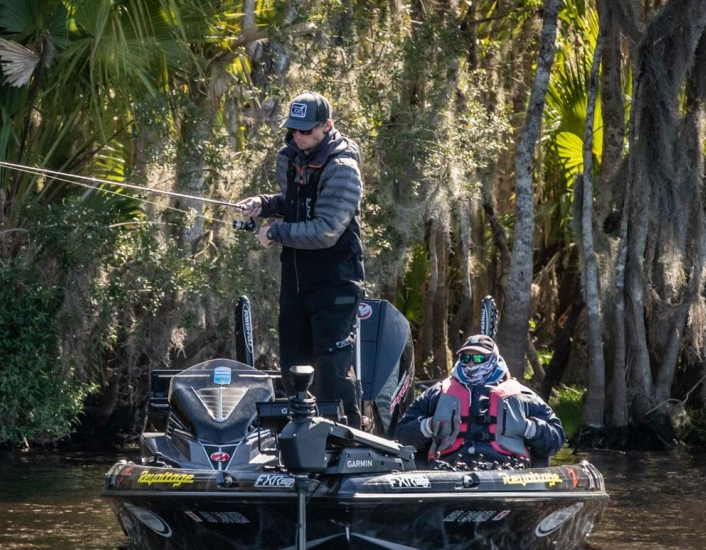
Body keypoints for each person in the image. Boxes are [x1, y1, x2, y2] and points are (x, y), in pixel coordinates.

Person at [236, 92, 365, 428]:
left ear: (327, 126)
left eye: (305, 130)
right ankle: (297, 437)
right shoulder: (288, 158)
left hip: (336, 284)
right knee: (294, 366)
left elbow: (325, 230)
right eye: (293, 129)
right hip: (295, 282)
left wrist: (277, 231)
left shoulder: (343, 169)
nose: (297, 136)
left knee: (332, 369)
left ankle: (347, 436)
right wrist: (264, 204)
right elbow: (295, 202)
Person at [395, 334, 564, 468]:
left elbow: (556, 438)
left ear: (493, 359)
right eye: (465, 358)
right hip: (447, 468)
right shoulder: (438, 393)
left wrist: (528, 427)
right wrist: (429, 425)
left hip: (508, 470)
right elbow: (401, 434)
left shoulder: (521, 395)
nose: (470, 364)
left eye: (477, 358)